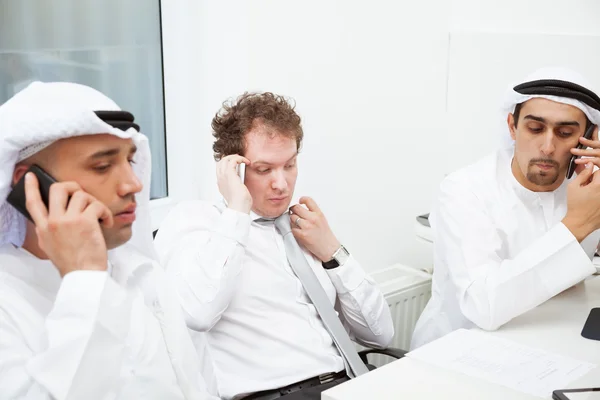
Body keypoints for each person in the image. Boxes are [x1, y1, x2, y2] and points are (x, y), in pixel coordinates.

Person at [154, 92, 394, 399]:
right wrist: (238, 209)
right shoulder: (197, 224)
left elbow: (380, 334)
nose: (281, 184)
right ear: (233, 167)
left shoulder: (305, 227)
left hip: (349, 384)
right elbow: (198, 312)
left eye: (290, 165)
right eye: (264, 169)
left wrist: (333, 252)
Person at [0, 81, 217, 399]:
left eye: (130, 161)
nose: (133, 184)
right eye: (102, 166)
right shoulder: (8, 301)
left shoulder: (143, 273)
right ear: (29, 184)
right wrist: (84, 279)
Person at [411, 67, 600, 349]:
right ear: (512, 126)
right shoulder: (465, 189)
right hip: (457, 348)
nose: (547, 146)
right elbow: (483, 305)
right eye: (535, 128)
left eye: (564, 132)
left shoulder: (589, 186)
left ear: (589, 136)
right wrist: (578, 224)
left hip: (549, 343)